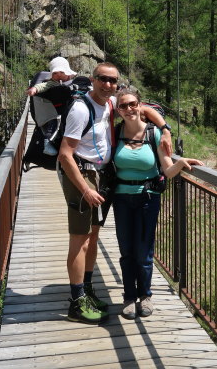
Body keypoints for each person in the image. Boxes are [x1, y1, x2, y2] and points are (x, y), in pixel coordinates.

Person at [58, 62, 173, 324]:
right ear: (92, 79)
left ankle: (86, 290)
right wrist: (85, 188)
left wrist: (165, 129)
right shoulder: (80, 109)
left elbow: (143, 108)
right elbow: (65, 155)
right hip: (82, 175)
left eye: (113, 81)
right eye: (103, 79)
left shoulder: (110, 104)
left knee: (93, 234)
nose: (108, 85)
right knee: (80, 238)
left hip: (102, 175)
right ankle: (76, 301)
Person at [113, 88, 203, 320]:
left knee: (143, 252)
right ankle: (129, 298)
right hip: (121, 198)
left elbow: (167, 170)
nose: (129, 109)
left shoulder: (154, 134)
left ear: (140, 106)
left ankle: (145, 296)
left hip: (148, 197)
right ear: (118, 110)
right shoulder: (115, 132)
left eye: (133, 104)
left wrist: (180, 162)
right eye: (123, 106)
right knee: (126, 252)